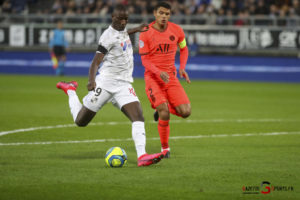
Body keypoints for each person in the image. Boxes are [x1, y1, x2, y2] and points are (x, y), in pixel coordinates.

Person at [56, 4, 165, 167]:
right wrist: (91, 81)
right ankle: (71, 90)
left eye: (126, 19)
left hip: (123, 85)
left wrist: (135, 29)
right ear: (113, 18)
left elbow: (121, 36)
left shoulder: (122, 31)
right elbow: (95, 62)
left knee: (138, 116)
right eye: (121, 19)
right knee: (81, 121)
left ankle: (142, 156)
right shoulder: (107, 36)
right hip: (105, 84)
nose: (124, 22)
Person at [139, 2, 191, 158]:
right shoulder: (146, 32)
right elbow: (145, 60)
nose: (164, 16)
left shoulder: (177, 30)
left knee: (186, 112)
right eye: (161, 13)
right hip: (153, 78)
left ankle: (161, 108)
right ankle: (165, 148)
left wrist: (182, 67)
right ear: (155, 13)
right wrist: (158, 71)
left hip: (171, 78)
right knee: (164, 112)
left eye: (167, 14)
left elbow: (184, 48)